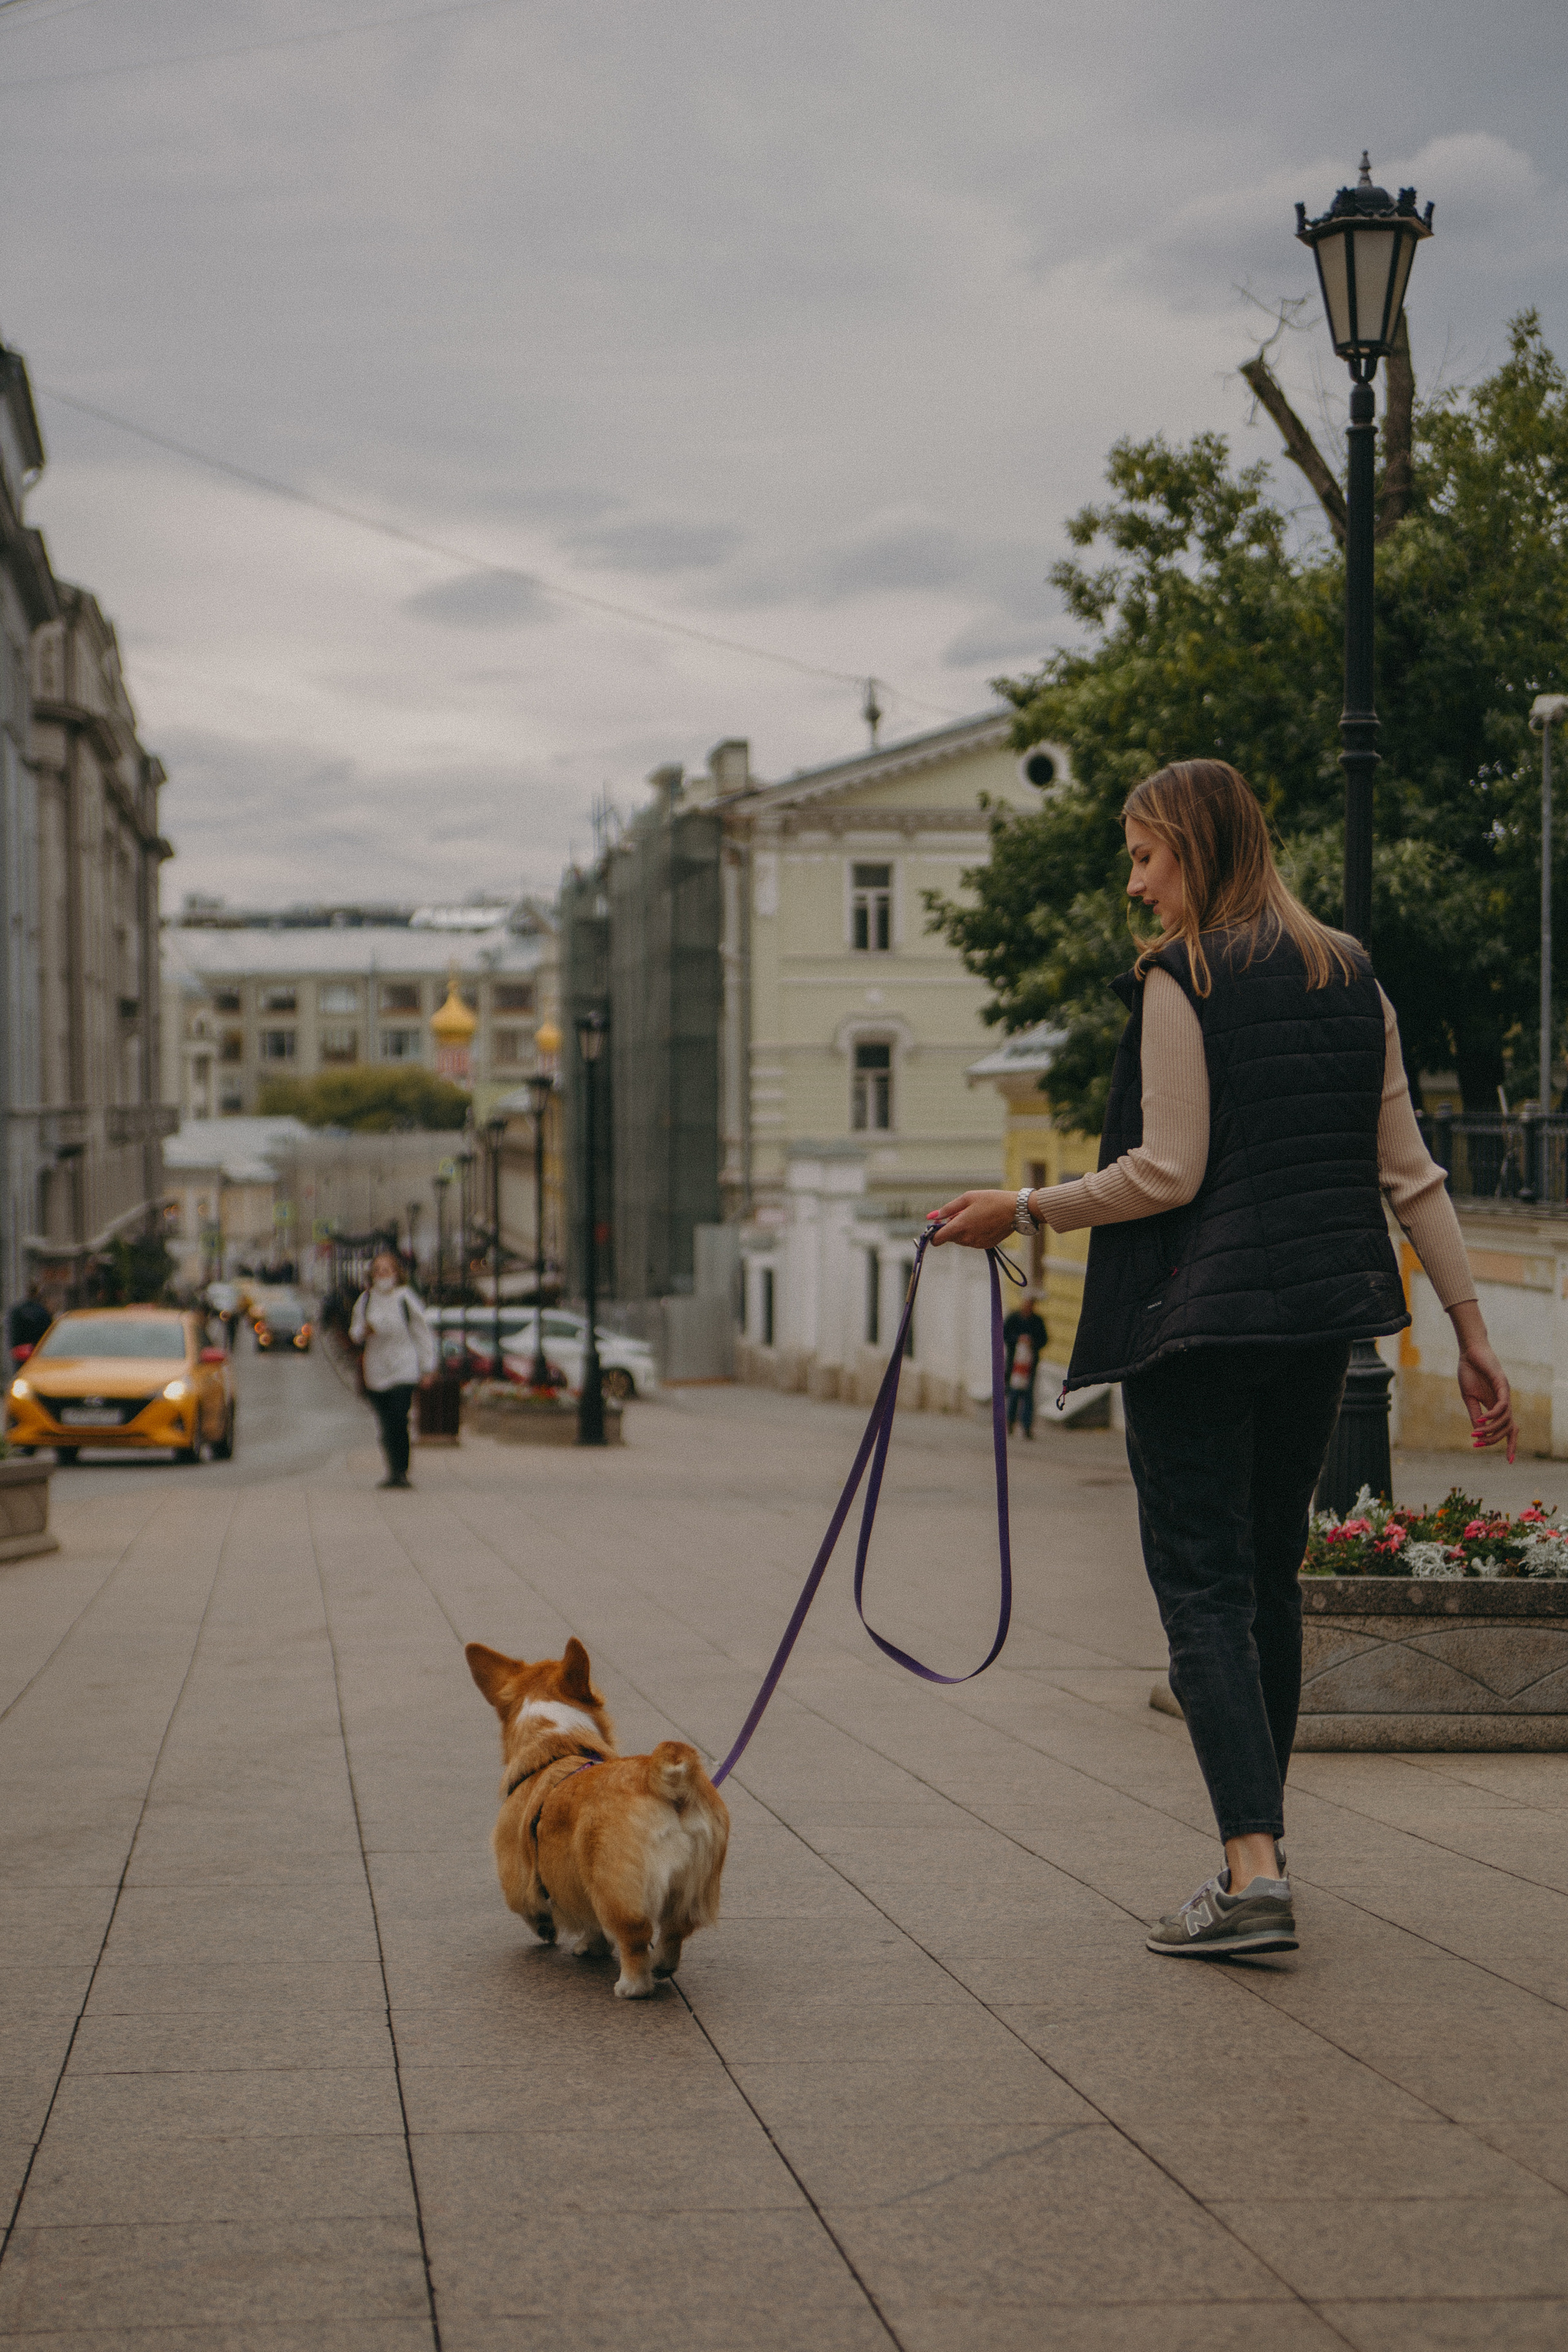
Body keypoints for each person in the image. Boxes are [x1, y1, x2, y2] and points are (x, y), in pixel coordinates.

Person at [929, 760, 1515, 1961]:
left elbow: (1166, 1171)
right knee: (1261, 1582)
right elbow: (1410, 1174)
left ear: (1195, 852)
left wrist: (1021, 1208)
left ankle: (1250, 1876)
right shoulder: (1350, 974)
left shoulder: (1180, 978)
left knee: (1201, 1591)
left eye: (1145, 858)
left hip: (1196, 1330)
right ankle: (1261, 1856)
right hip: (1313, 1327)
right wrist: (1469, 1331)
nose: (1137, 887)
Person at [349, 1249, 438, 1490]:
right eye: (378, 1270)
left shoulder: (406, 1298)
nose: (382, 1274)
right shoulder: (366, 1300)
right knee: (386, 1423)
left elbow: (422, 1333)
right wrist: (364, 1332)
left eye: (386, 1270)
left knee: (400, 1417)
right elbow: (355, 1331)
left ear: (396, 1273)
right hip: (376, 1369)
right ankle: (391, 1470)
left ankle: (402, 1470)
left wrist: (427, 1367)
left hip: (404, 1365)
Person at [1001, 1291, 1048, 1438]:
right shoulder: (1014, 1318)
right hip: (1014, 1363)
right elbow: (1005, 1335)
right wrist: (1018, 1339)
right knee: (1014, 1393)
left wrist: (1032, 1342)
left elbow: (1044, 1340)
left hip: (1030, 1364)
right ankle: (1010, 1422)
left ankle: (1026, 1426)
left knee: (1028, 1395)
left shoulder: (1037, 1321)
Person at [8, 1283, 52, 1357]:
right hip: (36, 1349)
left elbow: (13, 1330)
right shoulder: (42, 1311)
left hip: (20, 1350)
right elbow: (48, 1330)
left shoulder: (18, 1310)